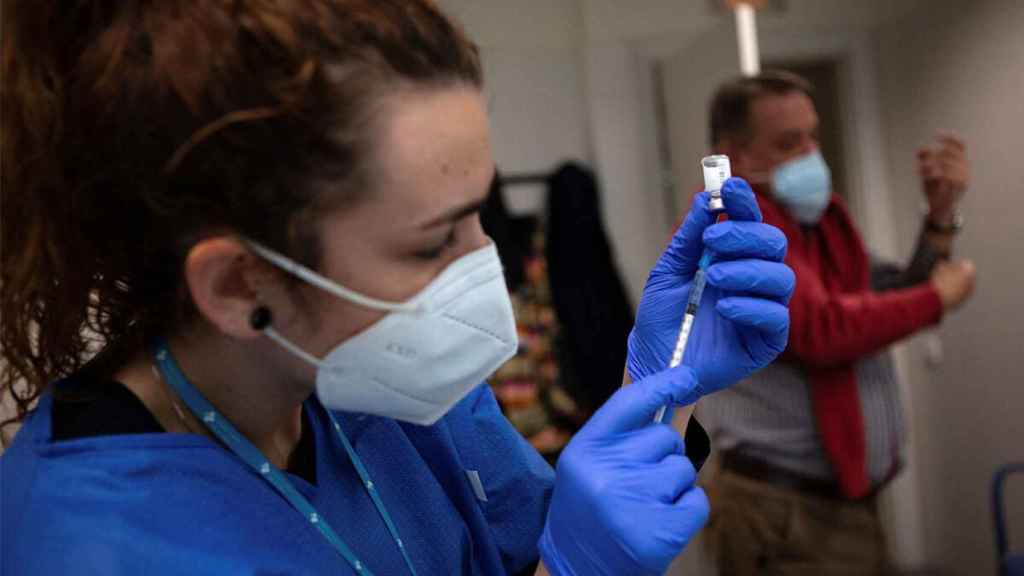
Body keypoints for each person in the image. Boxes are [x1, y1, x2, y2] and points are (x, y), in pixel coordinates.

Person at [0, 2, 795, 574]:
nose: (485, 261)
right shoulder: (90, 541)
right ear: (241, 283)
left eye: (478, 214)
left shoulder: (382, 385)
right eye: (433, 241)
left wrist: (664, 381)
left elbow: (540, 543)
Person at [696, 71, 977, 575]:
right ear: (733, 154)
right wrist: (935, 299)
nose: (810, 154)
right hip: (783, 513)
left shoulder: (817, 222)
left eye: (812, 136)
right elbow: (821, 330)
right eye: (788, 142)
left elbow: (882, 296)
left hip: (836, 506)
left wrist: (940, 218)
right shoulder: (734, 226)